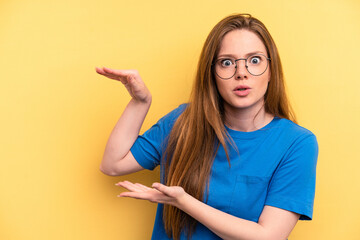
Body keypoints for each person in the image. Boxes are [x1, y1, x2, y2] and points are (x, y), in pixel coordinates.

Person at [95, 13, 318, 240]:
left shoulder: (296, 143)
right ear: (212, 74)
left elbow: (269, 236)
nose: (241, 73)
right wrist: (139, 103)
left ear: (271, 70)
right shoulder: (182, 121)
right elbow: (112, 164)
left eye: (254, 60)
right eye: (227, 62)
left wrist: (183, 202)